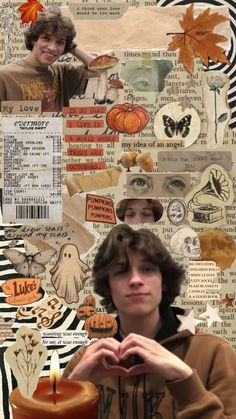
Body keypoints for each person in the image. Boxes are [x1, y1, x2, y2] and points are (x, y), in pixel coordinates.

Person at [63, 224, 236, 418]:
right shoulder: (86, 360)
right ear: (107, 286)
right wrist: (72, 388)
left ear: (163, 282)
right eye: (121, 271)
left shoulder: (215, 352)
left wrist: (184, 380)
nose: (136, 280)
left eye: (147, 269)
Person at [0, 7, 96, 112]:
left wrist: (72, 47)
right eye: (46, 38)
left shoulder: (62, 73)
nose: (52, 48)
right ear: (33, 39)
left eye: (60, 42)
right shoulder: (5, 75)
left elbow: (100, 70)